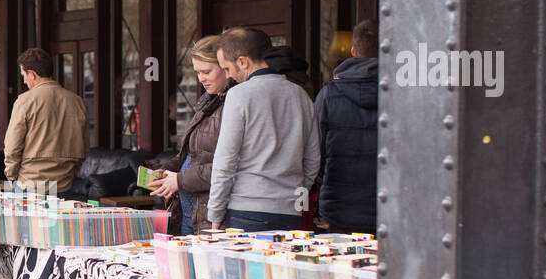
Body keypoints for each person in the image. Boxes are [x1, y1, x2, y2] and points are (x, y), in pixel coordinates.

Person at [207, 27, 320, 232]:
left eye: (226, 68)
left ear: (243, 62)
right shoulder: (301, 95)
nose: (228, 75)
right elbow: (312, 160)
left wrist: (215, 214)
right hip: (290, 211)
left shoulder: (239, 95)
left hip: (246, 210)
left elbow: (225, 162)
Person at [149, 35, 230, 235]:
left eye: (206, 71)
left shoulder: (233, 105)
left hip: (212, 217)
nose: (201, 79)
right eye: (197, 72)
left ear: (226, 67)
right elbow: (190, 154)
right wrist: (166, 171)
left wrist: (179, 180)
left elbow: (226, 166)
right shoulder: (208, 102)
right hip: (189, 213)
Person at [315, 19, 379, 234]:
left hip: (339, 205)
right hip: (390, 204)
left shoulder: (328, 94)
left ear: (353, 50)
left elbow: (315, 150)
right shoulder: (406, 93)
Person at [3, 48, 89, 196]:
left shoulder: (25, 101)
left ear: (32, 74)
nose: (24, 80)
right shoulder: (77, 102)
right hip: (64, 187)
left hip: (29, 186)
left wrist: (12, 177)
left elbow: (12, 147)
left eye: (24, 75)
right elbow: (84, 148)